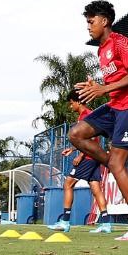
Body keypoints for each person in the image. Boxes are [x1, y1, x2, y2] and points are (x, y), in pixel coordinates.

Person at [69, 0, 128, 241]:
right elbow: (113, 81)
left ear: (104, 21)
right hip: (115, 106)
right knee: (76, 133)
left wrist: (103, 89)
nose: (88, 26)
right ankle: (112, 163)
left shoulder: (120, 42)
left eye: (91, 22)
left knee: (117, 165)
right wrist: (98, 87)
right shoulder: (100, 50)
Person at [49, 90, 113, 234]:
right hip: (93, 157)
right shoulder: (84, 116)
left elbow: (93, 140)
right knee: (96, 189)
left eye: (71, 103)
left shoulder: (86, 116)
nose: (71, 107)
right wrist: (72, 149)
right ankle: (106, 224)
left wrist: (81, 155)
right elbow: (85, 139)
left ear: (78, 101)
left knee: (68, 184)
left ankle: (65, 222)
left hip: (89, 157)